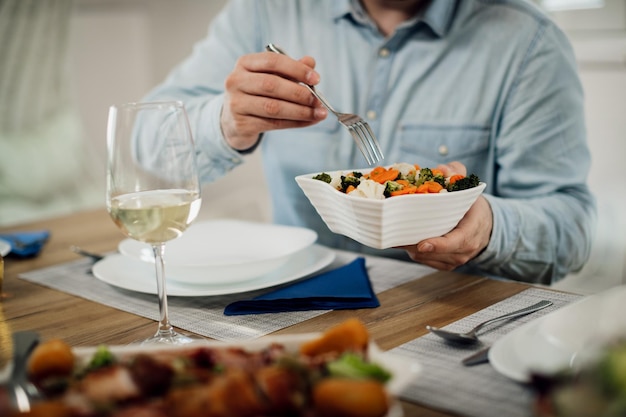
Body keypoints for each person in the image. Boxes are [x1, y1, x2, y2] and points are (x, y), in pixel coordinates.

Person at [141, 0, 596, 285]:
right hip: (292, 301)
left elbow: (572, 229)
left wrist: (490, 229)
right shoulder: (266, 10)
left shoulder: (528, 41)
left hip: (449, 316)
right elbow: (147, 146)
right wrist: (228, 120)